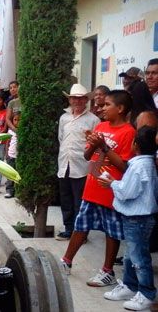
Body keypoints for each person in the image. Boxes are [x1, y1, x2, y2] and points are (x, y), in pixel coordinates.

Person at [60, 90, 135, 288]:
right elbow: (87, 157)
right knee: (81, 226)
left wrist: (103, 146)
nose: (102, 108)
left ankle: (107, 271)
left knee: (111, 232)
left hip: (110, 191)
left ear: (120, 109)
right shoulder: (100, 126)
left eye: (107, 105)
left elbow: (125, 166)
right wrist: (93, 145)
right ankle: (66, 261)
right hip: (91, 188)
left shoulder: (128, 132)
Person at [99, 126, 158, 311]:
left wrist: (111, 183)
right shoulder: (147, 163)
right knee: (130, 255)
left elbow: (127, 192)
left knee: (139, 258)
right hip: (137, 217)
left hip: (137, 218)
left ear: (135, 144)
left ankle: (147, 293)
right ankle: (130, 286)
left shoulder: (138, 165)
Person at [55, 84, 100, 240]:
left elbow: (96, 145)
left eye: (81, 98)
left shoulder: (93, 120)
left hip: (82, 166)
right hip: (64, 164)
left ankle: (80, 233)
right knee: (65, 199)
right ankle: (68, 229)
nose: (78, 101)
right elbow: (61, 139)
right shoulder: (64, 118)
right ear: (70, 99)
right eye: (74, 98)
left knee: (80, 202)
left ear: (86, 100)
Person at [5, 111, 20, 199]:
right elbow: (7, 142)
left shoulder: (22, 131)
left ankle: (17, 192)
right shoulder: (10, 131)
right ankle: (9, 191)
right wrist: (7, 154)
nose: (17, 122)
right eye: (15, 120)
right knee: (10, 174)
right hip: (11, 156)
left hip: (19, 156)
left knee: (18, 174)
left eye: (19, 120)